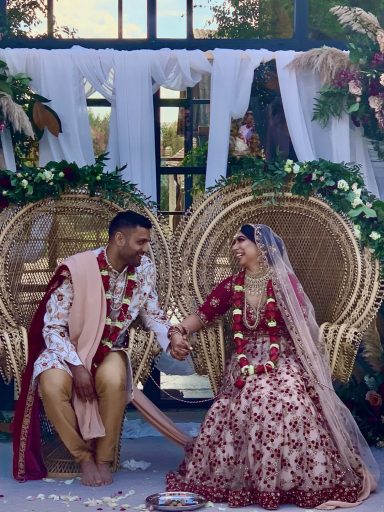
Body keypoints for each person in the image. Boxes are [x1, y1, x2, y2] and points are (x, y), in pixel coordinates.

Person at [167, 224, 379, 510]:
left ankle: (291, 481)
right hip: (245, 359)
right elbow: (203, 314)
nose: (235, 247)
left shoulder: (283, 283)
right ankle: (254, 481)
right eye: (233, 242)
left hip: (282, 357)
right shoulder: (232, 285)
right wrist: (178, 331)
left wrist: (306, 368)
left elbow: (303, 328)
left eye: (241, 240)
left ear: (261, 246)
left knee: (290, 396)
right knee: (254, 397)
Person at [13, 210, 191, 486]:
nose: (146, 250)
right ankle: (83, 457)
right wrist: (76, 366)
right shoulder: (78, 268)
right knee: (51, 384)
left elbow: (152, 314)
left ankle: (104, 459)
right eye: (141, 242)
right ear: (120, 238)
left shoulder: (144, 269)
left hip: (109, 348)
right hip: (66, 349)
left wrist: (172, 337)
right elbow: (52, 328)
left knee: (114, 378)